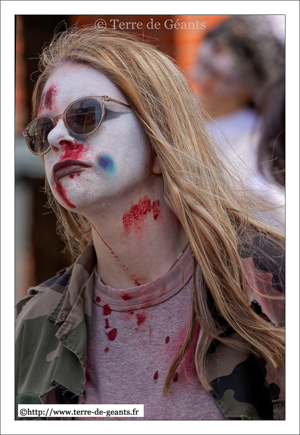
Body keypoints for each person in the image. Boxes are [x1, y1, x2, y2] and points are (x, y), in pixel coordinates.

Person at [16, 26, 285, 420]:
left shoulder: (275, 283)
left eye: (84, 115)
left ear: (160, 138)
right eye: (43, 130)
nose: (57, 137)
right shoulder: (29, 328)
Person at [191, 15, 285, 186]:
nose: (213, 59)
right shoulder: (166, 105)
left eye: (241, 58)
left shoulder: (258, 146)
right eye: (215, 44)